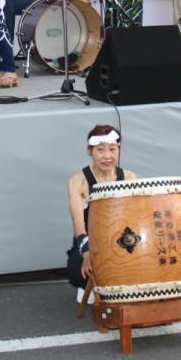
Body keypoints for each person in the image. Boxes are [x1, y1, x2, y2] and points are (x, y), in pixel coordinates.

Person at [65, 125, 137, 303]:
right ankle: (87, 286)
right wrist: (88, 253)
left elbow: (135, 217)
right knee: (78, 271)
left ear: (119, 150)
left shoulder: (129, 177)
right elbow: (78, 222)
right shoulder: (77, 181)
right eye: (100, 150)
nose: (107, 156)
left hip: (122, 242)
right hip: (91, 242)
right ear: (89, 151)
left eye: (112, 149)